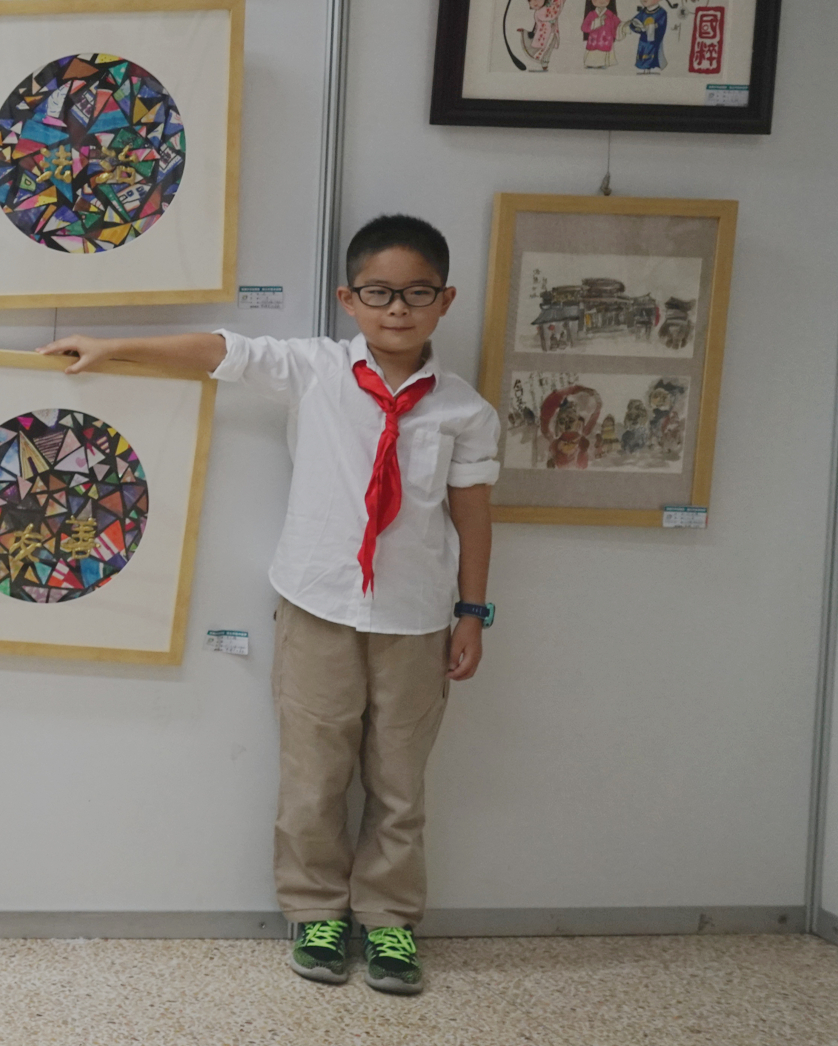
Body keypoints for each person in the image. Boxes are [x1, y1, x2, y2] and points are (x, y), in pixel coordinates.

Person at [41, 214, 499, 996]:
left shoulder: (464, 409)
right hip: (317, 606)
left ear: (445, 299)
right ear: (348, 299)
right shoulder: (314, 369)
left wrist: (472, 612)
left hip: (416, 618)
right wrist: (114, 346)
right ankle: (318, 911)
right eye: (379, 292)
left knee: (400, 780)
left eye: (417, 292)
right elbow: (222, 348)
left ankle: (389, 919)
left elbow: (473, 517)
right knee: (313, 775)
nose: (398, 308)